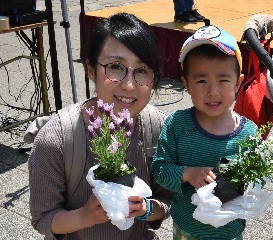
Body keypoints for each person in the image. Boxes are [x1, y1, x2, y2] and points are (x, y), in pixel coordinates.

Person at [28, 12, 172, 240]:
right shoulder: (56, 139)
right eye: (115, 66)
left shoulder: (160, 129)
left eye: (142, 70)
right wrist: (85, 216)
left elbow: (168, 199)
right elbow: (43, 218)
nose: (129, 85)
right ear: (91, 70)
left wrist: (148, 209)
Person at [152, 25, 258, 240]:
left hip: (229, 231)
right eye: (201, 80)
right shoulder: (177, 124)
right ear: (186, 84)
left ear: (238, 83)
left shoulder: (249, 132)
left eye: (223, 79)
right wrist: (187, 173)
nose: (213, 91)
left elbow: (257, 179)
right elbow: (160, 169)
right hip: (186, 230)